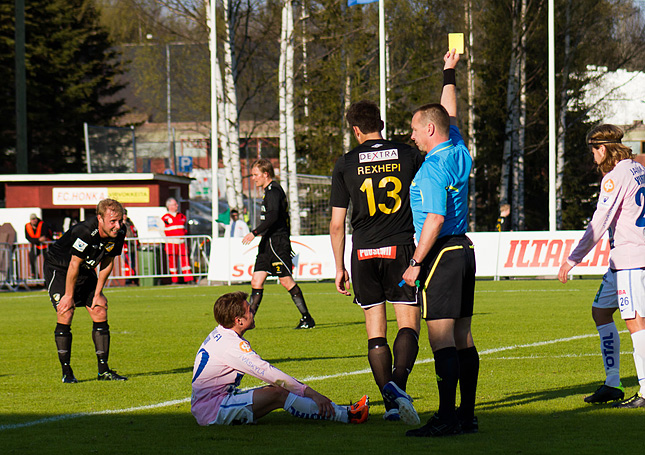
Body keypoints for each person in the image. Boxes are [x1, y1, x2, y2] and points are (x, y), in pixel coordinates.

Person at [329, 100, 423, 424]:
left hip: (363, 252)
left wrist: (339, 266)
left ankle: (392, 403)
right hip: (400, 247)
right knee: (409, 324)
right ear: (381, 123)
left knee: (375, 331)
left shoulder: (345, 163)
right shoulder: (408, 154)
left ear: (355, 130)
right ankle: (398, 388)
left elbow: (337, 223)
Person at [402, 49, 479, 437]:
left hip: (442, 252)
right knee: (463, 335)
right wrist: (449, 73)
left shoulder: (432, 166)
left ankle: (447, 418)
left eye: (416, 129)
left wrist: (415, 262)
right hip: (464, 248)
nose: (412, 135)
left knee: (441, 337)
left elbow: (432, 218)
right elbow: (449, 114)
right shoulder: (458, 150)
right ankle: (465, 415)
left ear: (429, 131)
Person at [559, 124, 645, 408]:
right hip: (622, 260)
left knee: (635, 322)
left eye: (593, 150)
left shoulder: (614, 177)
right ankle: (612, 384)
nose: (592, 156)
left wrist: (571, 260)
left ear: (603, 148)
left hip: (631, 260)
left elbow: (599, 224)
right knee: (601, 311)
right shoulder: (638, 169)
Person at [191, 291, 369, 425]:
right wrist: (312, 393)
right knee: (279, 392)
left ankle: (344, 410)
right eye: (249, 309)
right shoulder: (231, 346)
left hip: (212, 402)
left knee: (277, 390)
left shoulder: (223, 333)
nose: (253, 311)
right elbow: (270, 373)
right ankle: (346, 416)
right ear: (238, 320)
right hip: (212, 410)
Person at [43, 198, 128, 383]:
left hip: (84, 269)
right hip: (60, 268)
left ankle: (103, 371)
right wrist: (68, 295)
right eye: (112, 221)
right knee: (66, 311)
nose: (117, 225)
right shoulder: (85, 231)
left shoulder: (120, 231)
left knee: (100, 307)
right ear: (100, 218)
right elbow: (73, 264)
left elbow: (108, 260)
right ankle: (67, 372)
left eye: (120, 220)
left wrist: (98, 293)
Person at [242, 159, 315, 329]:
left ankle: (307, 318)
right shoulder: (267, 191)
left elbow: (273, 217)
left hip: (277, 242)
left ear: (266, 174)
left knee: (286, 281)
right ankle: (249, 321)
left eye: (255, 174)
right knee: (256, 281)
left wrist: (254, 232)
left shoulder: (274, 191)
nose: (253, 178)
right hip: (266, 243)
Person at [161, 197, 194, 284]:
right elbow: (161, 230)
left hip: (182, 242)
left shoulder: (182, 216)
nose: (177, 206)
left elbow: (185, 228)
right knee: (172, 262)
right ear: (169, 206)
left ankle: (189, 279)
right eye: (174, 204)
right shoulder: (165, 218)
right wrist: (167, 240)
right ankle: (174, 280)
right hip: (171, 242)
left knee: (185, 260)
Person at [25, 213, 53, 279]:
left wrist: (36, 240)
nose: (34, 220)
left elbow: (44, 237)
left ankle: (48, 275)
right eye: (32, 219)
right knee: (31, 256)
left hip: (45, 246)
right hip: (36, 246)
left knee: (47, 261)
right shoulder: (27, 226)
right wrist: (38, 240)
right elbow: (28, 238)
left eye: (35, 219)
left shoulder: (43, 224)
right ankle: (34, 274)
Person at [122, 209, 140, 286]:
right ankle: (128, 279)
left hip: (132, 246)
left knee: (132, 262)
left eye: (125, 214)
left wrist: (137, 243)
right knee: (127, 263)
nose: (125, 216)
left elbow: (135, 233)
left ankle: (133, 277)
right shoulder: (120, 224)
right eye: (123, 214)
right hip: (125, 246)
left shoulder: (130, 223)